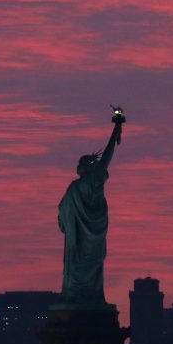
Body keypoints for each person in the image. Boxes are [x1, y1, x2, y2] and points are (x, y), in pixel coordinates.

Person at [57, 111, 123, 306]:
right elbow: (107, 157)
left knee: (78, 267)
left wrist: (116, 130)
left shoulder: (75, 188)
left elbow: (62, 217)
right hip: (93, 238)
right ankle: (90, 298)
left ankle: (76, 295)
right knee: (93, 266)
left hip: (77, 241)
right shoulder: (91, 181)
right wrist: (116, 131)